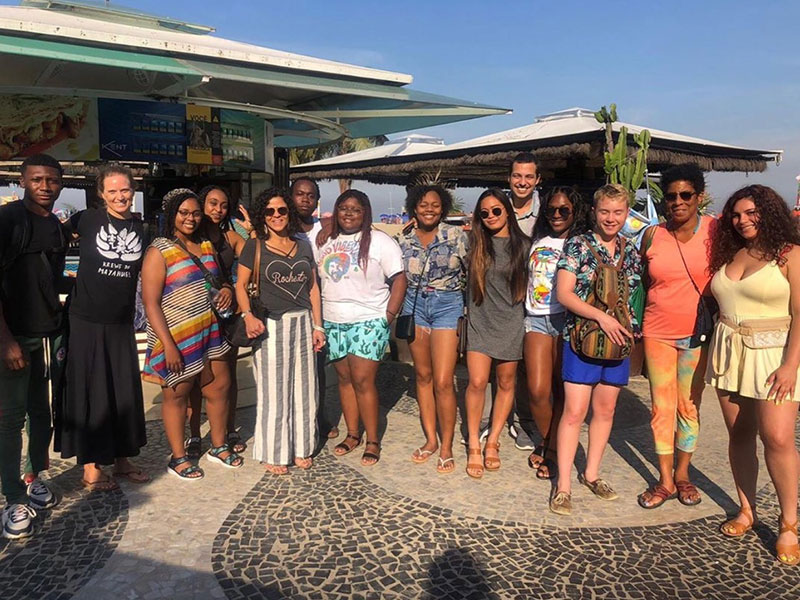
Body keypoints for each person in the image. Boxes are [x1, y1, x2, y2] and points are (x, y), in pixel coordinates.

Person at [706, 185, 800, 566]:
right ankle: (747, 508)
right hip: (729, 353)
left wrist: (791, 365)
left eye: (750, 212)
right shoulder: (732, 253)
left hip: (775, 356)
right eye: (736, 214)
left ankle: (790, 523)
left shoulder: (790, 255)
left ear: (769, 212)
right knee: (739, 435)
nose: (742, 220)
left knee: (777, 438)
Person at [550, 183, 642, 515]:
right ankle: (563, 485)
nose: (611, 218)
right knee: (574, 412)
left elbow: (635, 294)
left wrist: (631, 326)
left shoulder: (629, 250)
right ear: (594, 211)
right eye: (605, 211)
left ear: (626, 213)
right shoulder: (577, 246)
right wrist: (601, 318)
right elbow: (564, 293)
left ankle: (592, 474)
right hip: (582, 338)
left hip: (617, 342)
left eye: (618, 212)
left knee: (605, 411)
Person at [58, 164, 149, 490]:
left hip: (121, 321)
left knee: (123, 392)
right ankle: (92, 468)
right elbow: (51, 240)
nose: (120, 196)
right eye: (112, 191)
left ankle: (123, 459)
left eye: (124, 190)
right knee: (92, 393)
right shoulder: (86, 219)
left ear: (133, 190)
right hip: (86, 320)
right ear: (101, 194)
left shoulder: (140, 228)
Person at [142, 189, 242, 480]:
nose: (190, 218)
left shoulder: (207, 245)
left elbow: (220, 280)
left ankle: (219, 444)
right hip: (175, 334)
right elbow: (151, 303)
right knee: (177, 395)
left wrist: (226, 289)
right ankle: (178, 457)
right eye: (183, 213)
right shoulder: (158, 250)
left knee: (218, 388)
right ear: (172, 215)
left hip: (210, 331)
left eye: (195, 213)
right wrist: (169, 346)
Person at [637, 164, 714, 509]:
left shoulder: (716, 231)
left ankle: (684, 475)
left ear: (699, 197)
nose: (678, 202)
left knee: (689, 405)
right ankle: (666, 480)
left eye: (686, 195)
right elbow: (641, 277)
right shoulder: (652, 235)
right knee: (661, 407)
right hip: (657, 332)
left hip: (696, 333)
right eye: (671, 196)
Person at [236, 188, 325, 474]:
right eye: (270, 211)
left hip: (302, 322)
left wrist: (317, 325)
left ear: (289, 212)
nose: (276, 216)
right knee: (274, 391)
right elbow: (240, 286)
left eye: (282, 210)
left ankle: (302, 447)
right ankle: (274, 451)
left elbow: (313, 287)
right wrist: (247, 315)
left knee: (304, 389)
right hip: (271, 324)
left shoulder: (302, 245)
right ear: (263, 215)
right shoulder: (255, 246)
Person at [0, 154, 66, 539]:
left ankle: (34, 475)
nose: (45, 186)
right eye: (37, 179)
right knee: (9, 419)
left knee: (42, 412)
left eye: (52, 180)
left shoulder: (56, 226)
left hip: (48, 334)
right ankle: (11, 498)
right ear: (23, 181)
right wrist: (6, 340)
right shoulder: (8, 222)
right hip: (15, 337)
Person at [317, 189, 407, 466]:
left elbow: (399, 279)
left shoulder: (381, 241)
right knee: (344, 380)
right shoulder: (325, 241)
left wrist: (388, 316)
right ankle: (353, 433)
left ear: (365, 212)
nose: (348, 213)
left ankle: (373, 440)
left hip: (368, 319)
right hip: (333, 318)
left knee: (363, 381)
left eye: (355, 209)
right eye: (343, 208)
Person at [395, 185, 468, 474]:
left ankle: (447, 444)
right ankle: (430, 440)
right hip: (414, 305)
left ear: (443, 208)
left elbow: (475, 270)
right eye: (423, 204)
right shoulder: (403, 239)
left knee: (443, 380)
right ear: (414, 207)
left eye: (435, 205)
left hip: (447, 305)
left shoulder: (457, 236)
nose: (429, 209)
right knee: (422, 375)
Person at [524, 186, 590, 480]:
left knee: (563, 389)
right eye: (552, 209)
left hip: (569, 319)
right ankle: (552, 440)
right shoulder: (536, 240)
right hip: (536, 318)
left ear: (575, 212)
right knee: (538, 390)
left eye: (565, 210)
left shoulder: (582, 243)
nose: (558, 215)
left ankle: (551, 451)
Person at [464, 188, 530, 479]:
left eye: (496, 211)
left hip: (511, 322)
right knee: (477, 382)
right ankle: (474, 447)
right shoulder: (474, 243)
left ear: (507, 211)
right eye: (484, 212)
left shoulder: (525, 246)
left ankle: (493, 441)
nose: (490, 217)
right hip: (480, 320)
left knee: (505, 383)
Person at [185, 185, 247, 459]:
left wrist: (254, 230)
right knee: (197, 377)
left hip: (225, 314)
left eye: (223, 205)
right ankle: (195, 435)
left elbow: (255, 263)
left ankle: (229, 428)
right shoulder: (188, 238)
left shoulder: (232, 238)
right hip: (196, 314)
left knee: (227, 377)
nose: (217, 210)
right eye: (212, 203)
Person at [291, 177, 338, 441]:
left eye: (310, 195)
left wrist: (330, 225)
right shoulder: (280, 228)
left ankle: (319, 417)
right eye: (299, 194)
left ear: (317, 201)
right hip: (287, 308)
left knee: (317, 368)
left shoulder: (326, 228)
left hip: (318, 310)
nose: (305, 199)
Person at [506, 153, 544, 451]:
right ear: (510, 178)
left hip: (536, 298)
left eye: (528, 177)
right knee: (502, 358)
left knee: (529, 365)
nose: (523, 182)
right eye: (518, 176)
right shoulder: (498, 208)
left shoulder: (548, 212)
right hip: (501, 296)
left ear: (537, 180)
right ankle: (496, 416)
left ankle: (525, 420)